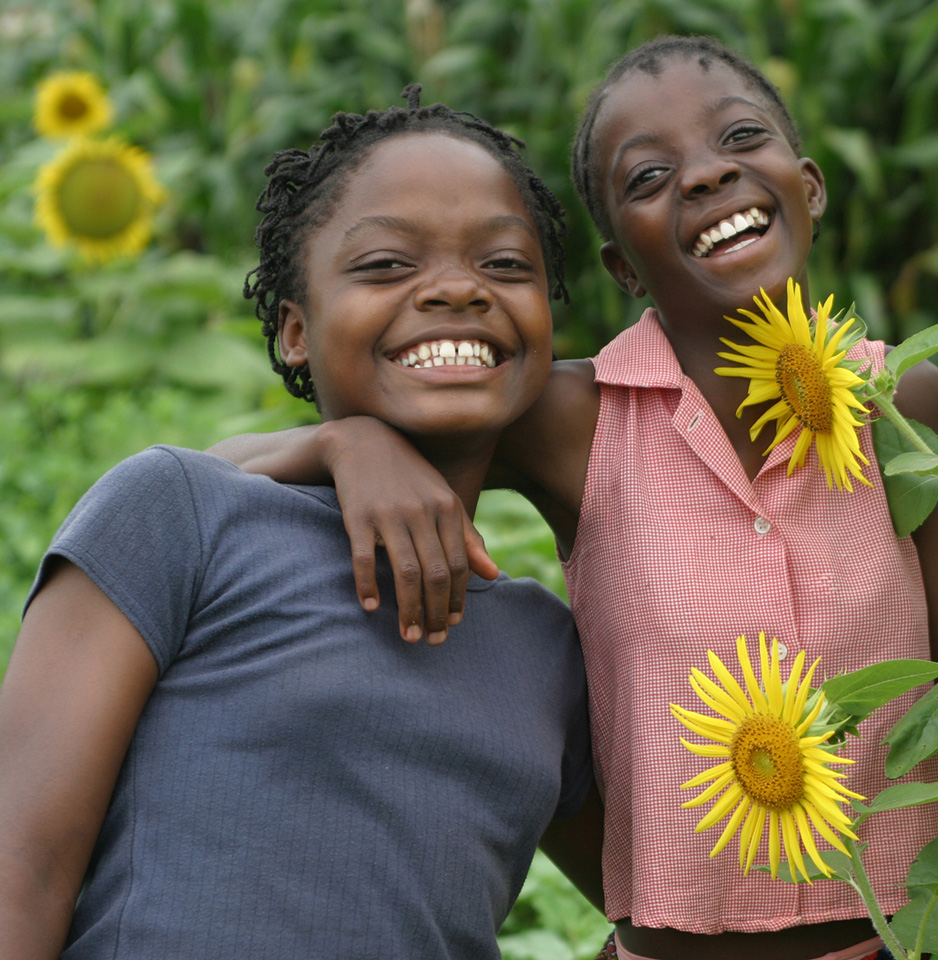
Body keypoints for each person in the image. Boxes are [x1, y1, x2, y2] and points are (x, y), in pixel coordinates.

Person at [213, 37, 938, 960]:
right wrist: (349, 441)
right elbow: (214, 475)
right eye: (651, 176)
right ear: (620, 258)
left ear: (809, 186)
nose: (707, 172)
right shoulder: (574, 420)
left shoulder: (904, 406)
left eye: (741, 138)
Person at [0, 90, 593, 960]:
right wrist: (334, 442)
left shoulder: (546, 649)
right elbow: (22, 873)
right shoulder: (185, 518)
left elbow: (681, 906)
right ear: (294, 333)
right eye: (388, 264)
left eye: (506, 265)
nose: (459, 288)